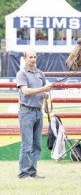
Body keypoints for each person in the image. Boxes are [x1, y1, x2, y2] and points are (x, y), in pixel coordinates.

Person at [16, 50, 52, 179]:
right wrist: (43, 89)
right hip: (26, 111)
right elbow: (25, 91)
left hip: (38, 111)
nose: (33, 59)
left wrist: (45, 94)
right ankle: (23, 173)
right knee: (26, 145)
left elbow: (42, 92)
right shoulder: (22, 74)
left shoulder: (40, 73)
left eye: (34, 57)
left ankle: (32, 172)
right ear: (25, 59)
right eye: (30, 57)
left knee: (36, 145)